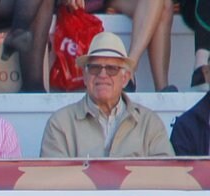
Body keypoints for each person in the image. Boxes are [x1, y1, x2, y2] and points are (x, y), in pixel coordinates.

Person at [40, 33, 172, 159]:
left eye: (111, 68)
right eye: (95, 68)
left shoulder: (149, 123)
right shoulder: (60, 124)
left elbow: (167, 176)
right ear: (85, 77)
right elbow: (53, 179)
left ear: (125, 79)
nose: (102, 75)